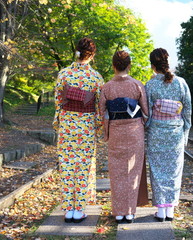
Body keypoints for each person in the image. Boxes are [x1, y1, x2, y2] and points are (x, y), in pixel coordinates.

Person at [53, 37, 103, 223]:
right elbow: (99, 107)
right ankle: (79, 209)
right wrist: (97, 127)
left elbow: (58, 101)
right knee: (83, 167)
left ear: (77, 51)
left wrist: (59, 121)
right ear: (92, 55)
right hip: (86, 127)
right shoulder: (96, 77)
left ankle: (68, 209)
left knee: (66, 166)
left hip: (67, 125)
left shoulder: (64, 74)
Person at [99, 50, 149, 223]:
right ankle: (130, 212)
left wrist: (106, 133)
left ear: (113, 66)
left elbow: (103, 113)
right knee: (133, 172)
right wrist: (140, 123)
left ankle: (118, 211)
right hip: (134, 131)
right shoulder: (137, 85)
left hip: (115, 132)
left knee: (117, 171)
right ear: (129, 66)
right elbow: (146, 112)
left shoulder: (107, 87)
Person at [145, 48, 192, 222]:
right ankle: (170, 209)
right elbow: (187, 110)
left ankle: (161, 210)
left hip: (157, 132)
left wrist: (147, 129)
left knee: (157, 171)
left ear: (152, 65)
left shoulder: (150, 85)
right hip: (175, 133)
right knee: (174, 170)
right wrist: (185, 132)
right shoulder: (181, 82)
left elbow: (146, 113)